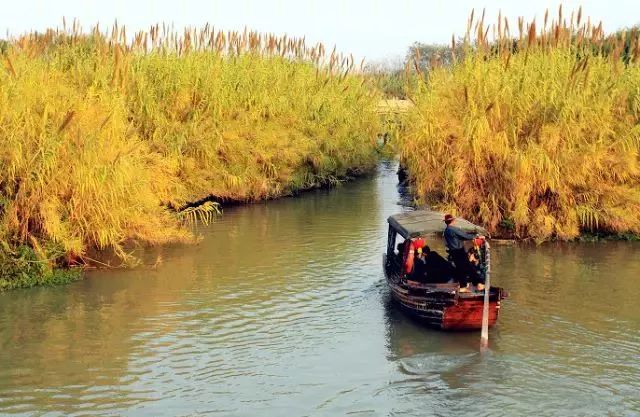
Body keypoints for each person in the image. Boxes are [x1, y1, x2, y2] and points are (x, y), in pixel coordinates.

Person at [443, 214, 484, 292]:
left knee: (461, 268)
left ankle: (463, 286)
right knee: (467, 267)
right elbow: (465, 235)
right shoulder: (453, 229)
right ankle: (478, 283)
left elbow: (460, 237)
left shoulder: (446, 231)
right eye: (454, 220)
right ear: (452, 221)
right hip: (458, 251)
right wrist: (477, 236)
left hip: (453, 252)